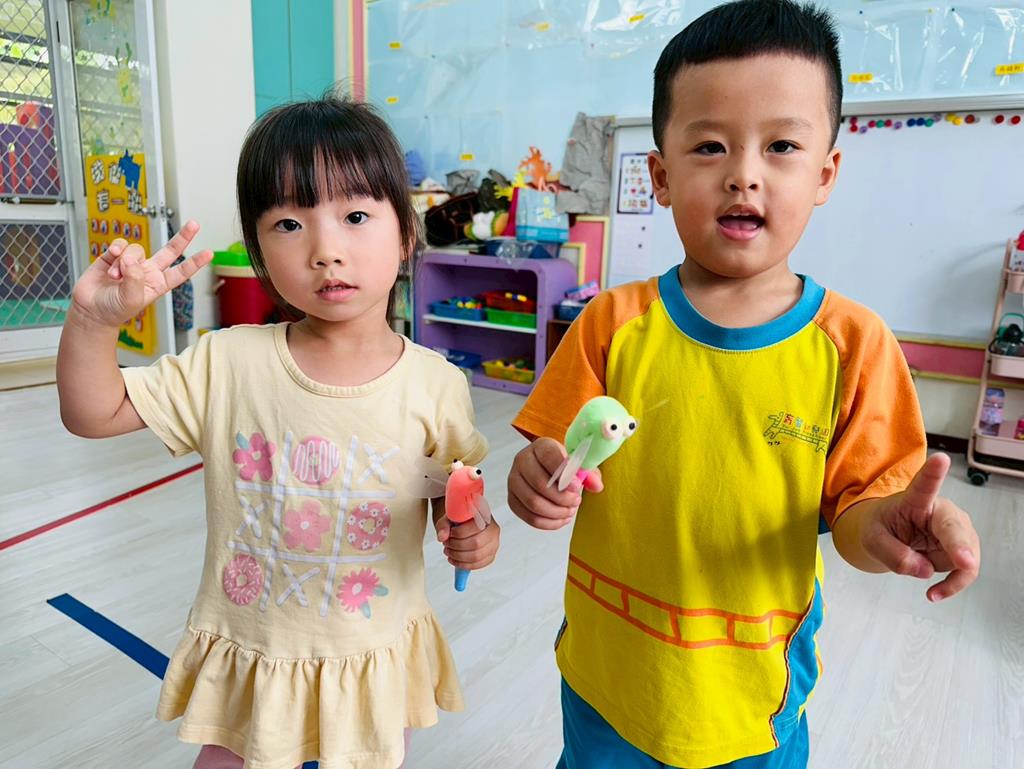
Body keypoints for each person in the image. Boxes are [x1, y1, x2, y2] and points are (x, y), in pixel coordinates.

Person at [505, 2, 981, 767]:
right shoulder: (609, 324)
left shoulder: (854, 346)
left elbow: (857, 521)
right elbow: (552, 454)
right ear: (661, 176)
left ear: (824, 174)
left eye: (781, 145)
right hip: (606, 676)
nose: (744, 174)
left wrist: (889, 525)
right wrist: (533, 481)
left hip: (753, 699)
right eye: (710, 146)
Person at [57, 94, 500, 769]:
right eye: (290, 223)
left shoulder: (434, 383)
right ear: (260, 250)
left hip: (368, 656)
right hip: (257, 654)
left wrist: (473, 532)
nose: (326, 251)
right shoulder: (228, 361)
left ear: (406, 233)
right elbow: (93, 413)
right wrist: (94, 324)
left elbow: (452, 491)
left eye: (356, 216)